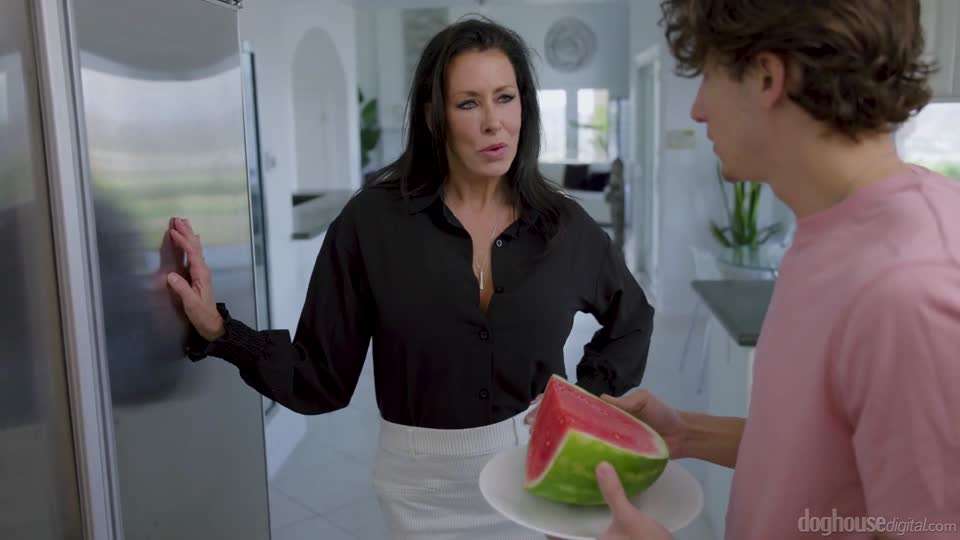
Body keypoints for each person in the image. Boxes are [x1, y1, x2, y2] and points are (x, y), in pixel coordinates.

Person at [165, 17, 654, 540]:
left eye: (505, 98)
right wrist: (221, 331)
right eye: (468, 103)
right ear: (433, 115)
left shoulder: (565, 227)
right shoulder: (371, 224)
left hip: (537, 472)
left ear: (524, 106)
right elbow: (320, 379)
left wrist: (583, 401)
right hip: (422, 491)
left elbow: (631, 319)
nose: (494, 123)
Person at [532, 0, 960, 538]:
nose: (697, 110)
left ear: (766, 78)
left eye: (708, 76)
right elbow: (826, 454)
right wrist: (689, 433)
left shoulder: (914, 288)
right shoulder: (829, 229)